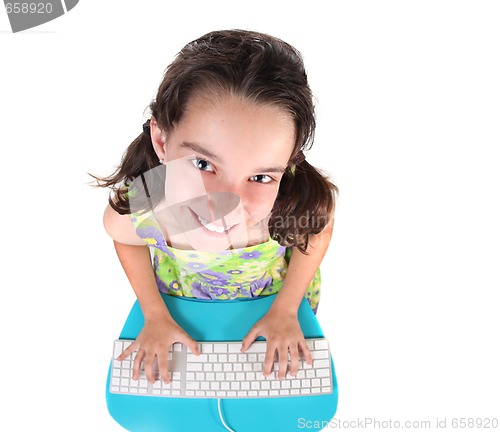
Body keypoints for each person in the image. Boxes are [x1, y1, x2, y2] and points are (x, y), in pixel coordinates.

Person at [93, 29, 338, 386]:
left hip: (272, 304)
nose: (226, 205)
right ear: (162, 140)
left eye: (260, 177)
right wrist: (155, 313)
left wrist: (286, 308)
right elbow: (126, 238)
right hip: (182, 307)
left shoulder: (287, 202)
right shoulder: (147, 205)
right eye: (203, 164)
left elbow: (320, 229)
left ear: (288, 165)